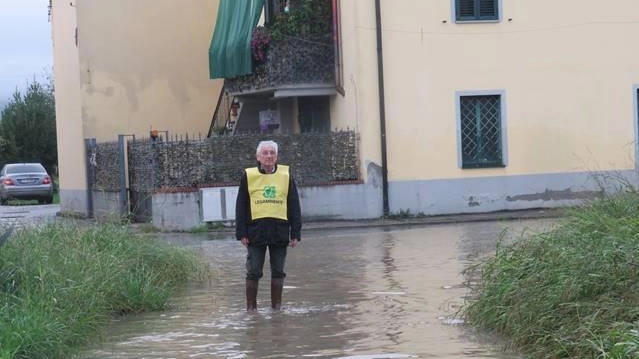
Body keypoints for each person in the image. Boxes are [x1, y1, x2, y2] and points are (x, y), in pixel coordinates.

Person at [235, 140, 302, 311]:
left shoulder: (286, 175)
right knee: (253, 271)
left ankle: (276, 309)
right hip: (255, 232)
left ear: (277, 156)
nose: (269, 156)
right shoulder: (248, 176)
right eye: (265, 153)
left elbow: (294, 204)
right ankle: (251, 309)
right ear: (258, 157)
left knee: (278, 271)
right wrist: (241, 232)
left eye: (272, 153)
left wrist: (295, 233)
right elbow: (241, 205)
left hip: (280, 232)